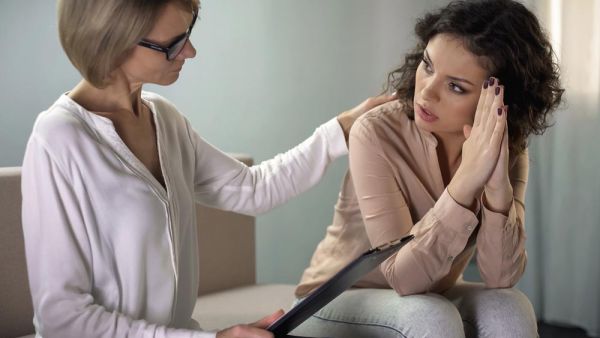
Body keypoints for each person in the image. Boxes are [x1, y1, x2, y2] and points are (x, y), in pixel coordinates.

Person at [20, 1, 396, 337]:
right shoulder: (59, 138)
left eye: (188, 34)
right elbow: (61, 318)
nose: (191, 51)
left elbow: (253, 189)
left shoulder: (165, 119)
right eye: (172, 44)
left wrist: (341, 130)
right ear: (112, 41)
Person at [294, 0, 564, 337]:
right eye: (427, 65)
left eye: (455, 87)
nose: (427, 91)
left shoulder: (509, 149)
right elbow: (404, 278)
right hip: (333, 301)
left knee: (510, 306)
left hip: (429, 292)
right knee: (430, 316)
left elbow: (501, 277)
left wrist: (497, 189)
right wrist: (466, 184)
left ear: (499, 102)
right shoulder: (376, 133)